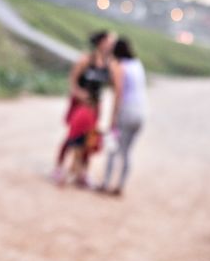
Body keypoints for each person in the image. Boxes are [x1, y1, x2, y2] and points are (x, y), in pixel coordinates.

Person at [52, 30, 120, 187]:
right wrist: (79, 93)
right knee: (73, 137)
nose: (111, 45)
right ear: (101, 43)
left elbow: (115, 86)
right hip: (80, 105)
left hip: (95, 106)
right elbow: (72, 81)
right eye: (109, 42)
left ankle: (81, 172)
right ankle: (59, 168)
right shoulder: (86, 60)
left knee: (90, 139)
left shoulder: (110, 64)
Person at [98, 37, 147, 197]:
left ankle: (106, 183)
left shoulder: (120, 67)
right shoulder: (137, 64)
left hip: (126, 110)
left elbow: (118, 93)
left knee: (113, 149)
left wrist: (112, 117)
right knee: (127, 152)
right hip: (141, 111)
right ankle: (120, 185)